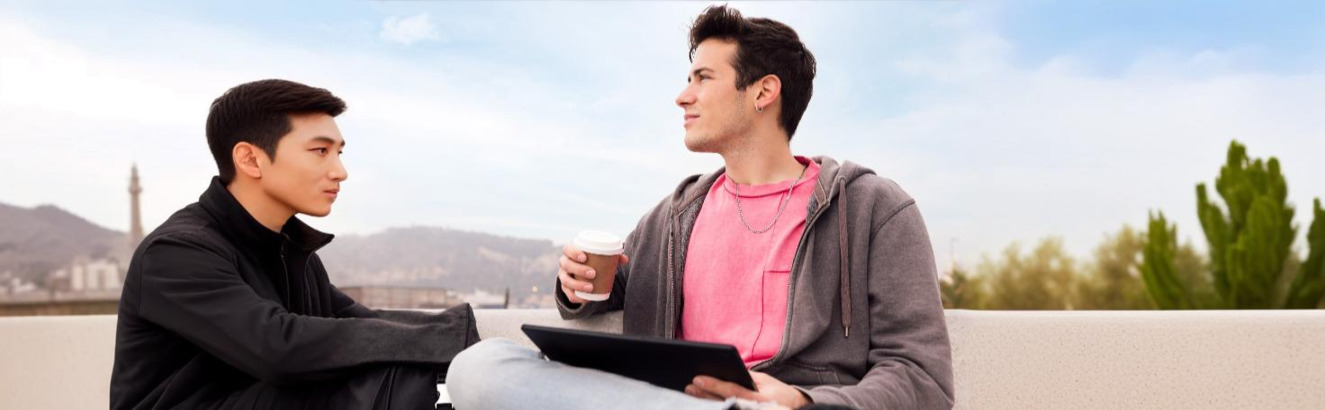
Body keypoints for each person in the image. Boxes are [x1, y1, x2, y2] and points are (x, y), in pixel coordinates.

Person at [448, 5, 953, 410]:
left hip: (781, 407)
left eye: (702, 78)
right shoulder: (674, 215)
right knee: (478, 365)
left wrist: (802, 400)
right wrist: (576, 285)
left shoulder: (872, 209)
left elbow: (921, 379)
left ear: (763, 91)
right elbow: (613, 287)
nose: (682, 97)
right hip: (661, 398)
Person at [110, 79, 479, 410]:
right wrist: (446, 341)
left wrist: (466, 341)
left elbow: (356, 322)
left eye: (339, 153)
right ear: (250, 158)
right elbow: (279, 348)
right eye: (320, 151)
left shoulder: (288, 249)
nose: (340, 171)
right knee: (386, 382)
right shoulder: (177, 253)